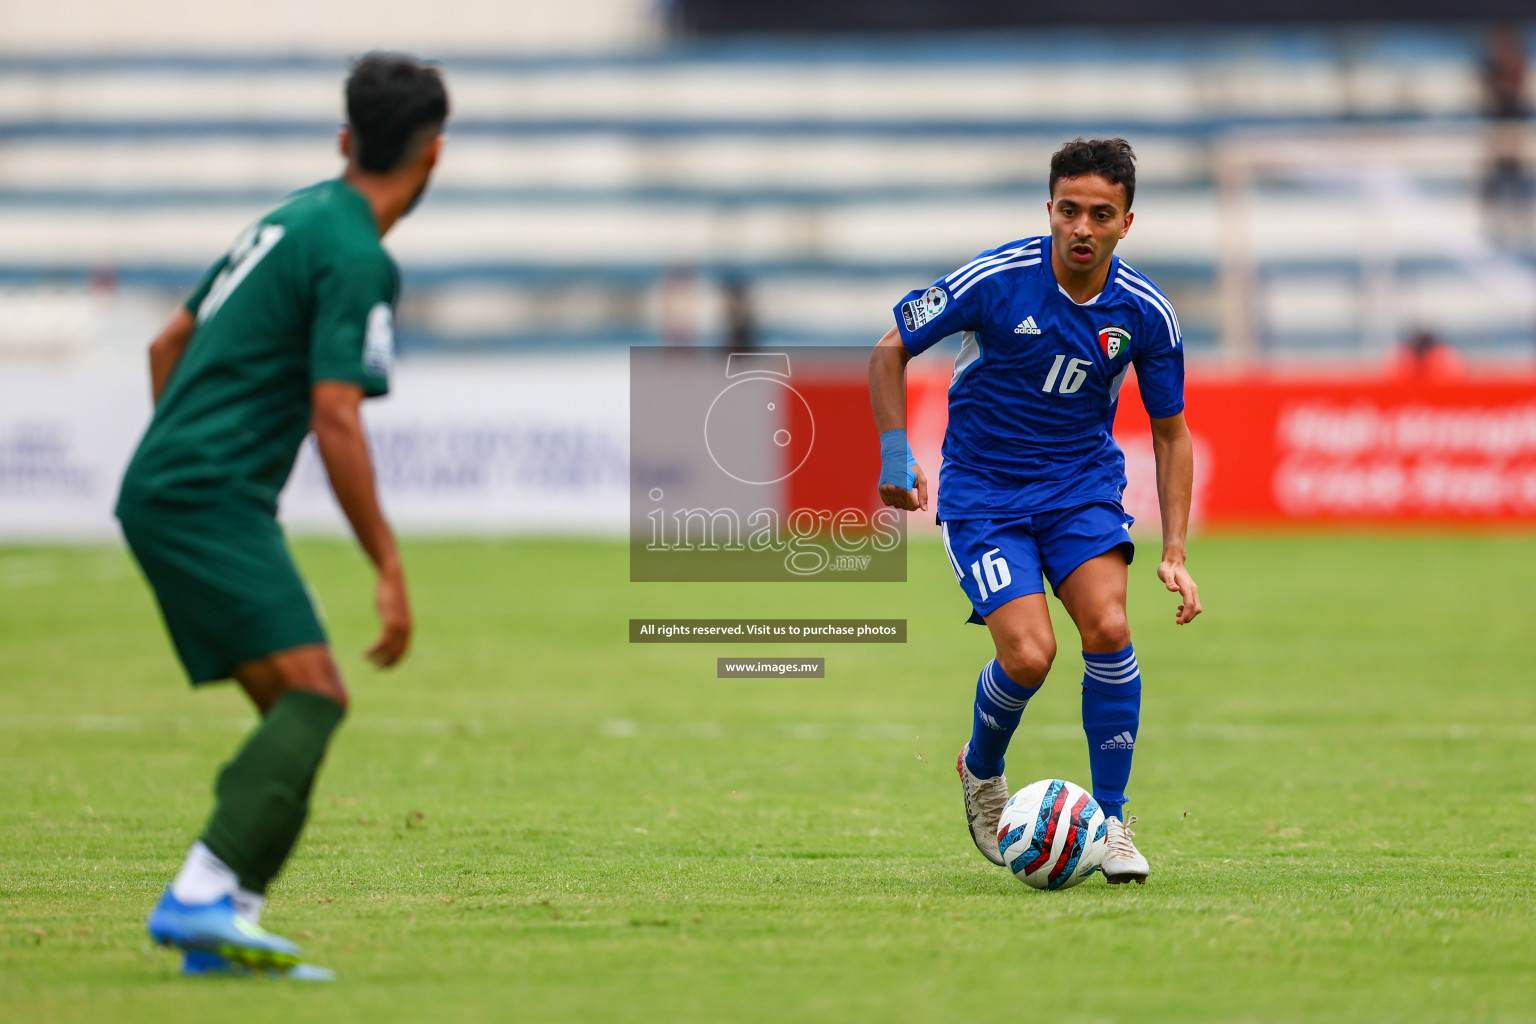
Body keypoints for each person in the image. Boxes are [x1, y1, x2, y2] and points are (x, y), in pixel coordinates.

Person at [115, 54, 448, 978]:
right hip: (204, 496)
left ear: (348, 141)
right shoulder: (356, 255)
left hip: (178, 486)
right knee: (314, 697)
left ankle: (228, 924)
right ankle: (200, 894)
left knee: (294, 711)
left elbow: (167, 340)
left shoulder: (289, 217)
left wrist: (180, 449)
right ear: (433, 155)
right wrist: (386, 563)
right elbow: (335, 414)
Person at [868, 137, 1201, 885]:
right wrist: (896, 452)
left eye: (1101, 214)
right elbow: (889, 349)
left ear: (1126, 222)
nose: (1082, 227)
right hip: (983, 494)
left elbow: (1171, 432)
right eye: (1070, 210)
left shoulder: (1145, 312)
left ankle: (1112, 822)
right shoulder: (996, 279)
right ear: (1049, 210)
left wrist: (1173, 550)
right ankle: (980, 768)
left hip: (1080, 488)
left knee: (1110, 626)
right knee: (1029, 656)